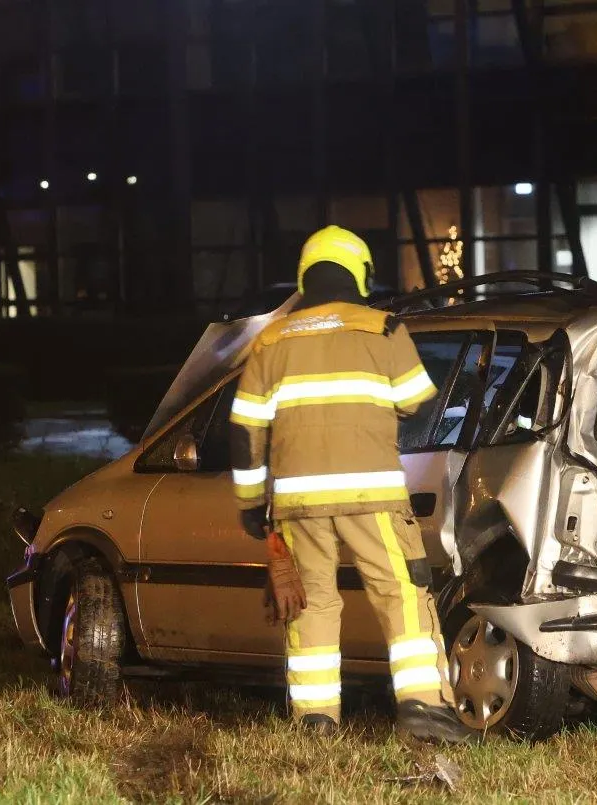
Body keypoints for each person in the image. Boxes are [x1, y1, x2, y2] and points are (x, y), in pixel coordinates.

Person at [228, 225, 473, 743]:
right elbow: (417, 401)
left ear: (305, 276)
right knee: (401, 593)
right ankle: (425, 710)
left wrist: (252, 503)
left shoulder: (271, 340)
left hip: (297, 502)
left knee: (310, 602)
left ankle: (315, 719)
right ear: (359, 273)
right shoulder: (382, 329)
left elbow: (245, 427)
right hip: (373, 497)